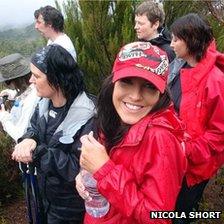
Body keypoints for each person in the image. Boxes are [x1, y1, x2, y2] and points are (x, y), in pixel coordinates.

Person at [76, 41, 187, 223]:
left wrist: (104, 171)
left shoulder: (161, 139)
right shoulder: (114, 117)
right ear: (113, 83)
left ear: (161, 93)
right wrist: (86, 175)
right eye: (126, 82)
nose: (135, 96)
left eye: (149, 86)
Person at [12, 44, 95, 223]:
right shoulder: (43, 103)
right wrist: (28, 139)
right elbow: (34, 128)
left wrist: (39, 152)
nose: (30, 81)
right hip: (44, 198)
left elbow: (78, 167)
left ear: (56, 78)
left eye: (36, 76)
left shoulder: (87, 115)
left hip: (70, 209)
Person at [168, 13, 224, 224]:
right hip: (175, 157)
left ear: (190, 39)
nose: (171, 44)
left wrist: (186, 149)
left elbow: (219, 136)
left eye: (175, 39)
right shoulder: (180, 66)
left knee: (181, 212)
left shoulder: (215, 80)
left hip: (196, 166)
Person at [0, 53, 40, 142]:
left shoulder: (30, 102)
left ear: (15, 80)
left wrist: (3, 116)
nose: (6, 85)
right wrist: (10, 93)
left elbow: (20, 135)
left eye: (7, 82)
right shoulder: (32, 89)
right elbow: (24, 93)